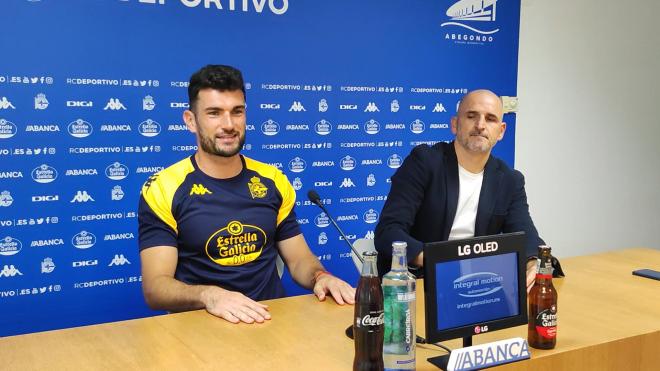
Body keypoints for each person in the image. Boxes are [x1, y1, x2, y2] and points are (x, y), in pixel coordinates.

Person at [138, 65, 355, 324]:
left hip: (270, 320)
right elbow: (155, 288)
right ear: (191, 121)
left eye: (237, 112)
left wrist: (321, 277)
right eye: (214, 113)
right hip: (201, 328)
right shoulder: (164, 187)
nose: (228, 124)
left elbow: (299, 260)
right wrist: (210, 296)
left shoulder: (272, 180)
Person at [375, 89, 544, 292]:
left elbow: (526, 236)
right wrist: (442, 263)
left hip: (478, 285)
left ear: (501, 131)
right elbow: (388, 232)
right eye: (471, 116)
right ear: (455, 124)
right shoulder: (424, 162)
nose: (480, 125)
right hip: (421, 282)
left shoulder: (510, 180)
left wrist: (533, 263)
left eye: (490, 119)